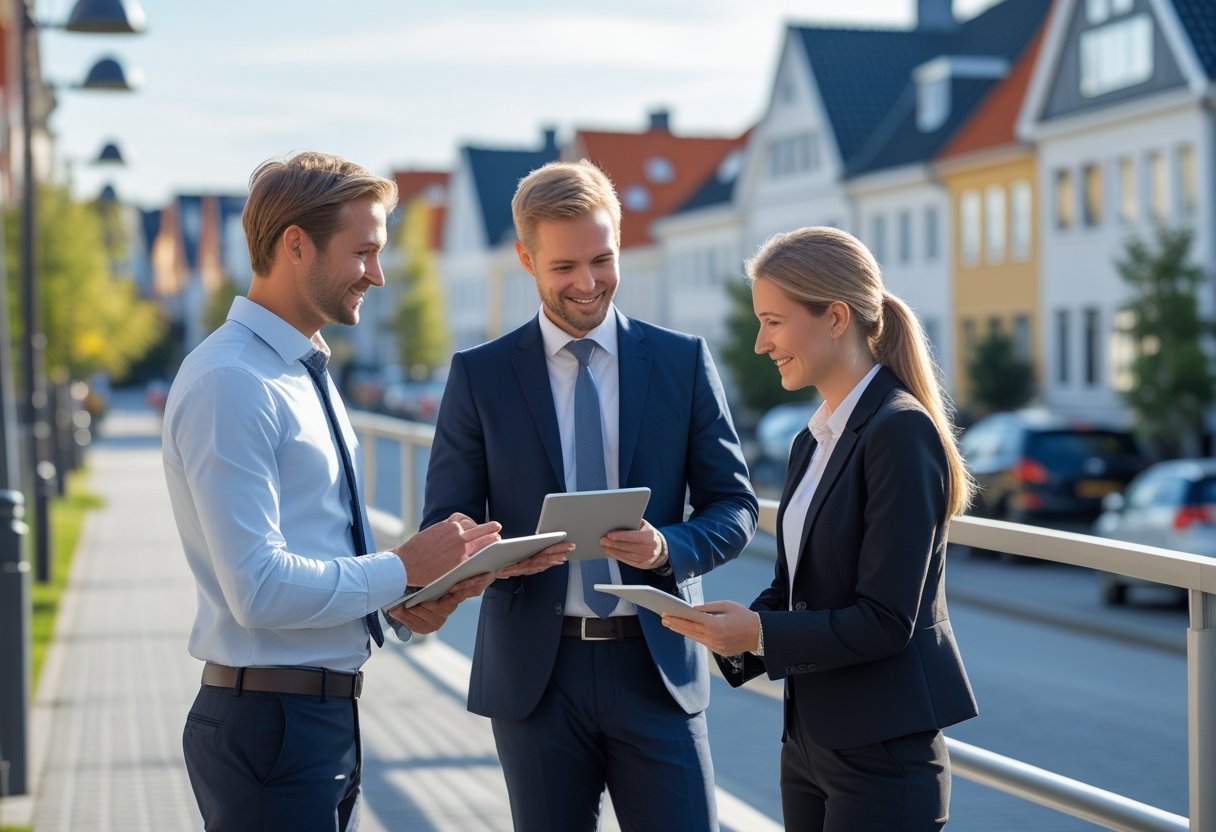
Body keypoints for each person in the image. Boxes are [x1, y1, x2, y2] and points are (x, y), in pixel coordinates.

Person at [162, 151, 501, 831]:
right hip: (271, 727)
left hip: (313, 718)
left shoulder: (299, 371)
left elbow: (315, 546)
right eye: (364, 251)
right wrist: (403, 567)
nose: (378, 274)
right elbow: (257, 589)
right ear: (295, 243)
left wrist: (404, 601)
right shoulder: (235, 382)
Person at [421, 160, 758, 831]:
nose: (587, 283)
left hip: (655, 668)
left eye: (602, 260)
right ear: (525, 257)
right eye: (564, 267)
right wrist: (493, 560)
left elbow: (735, 506)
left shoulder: (681, 361)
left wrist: (669, 545)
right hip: (536, 680)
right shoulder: (479, 376)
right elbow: (445, 525)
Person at [663, 226, 980, 831]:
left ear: (835, 317)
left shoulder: (899, 431)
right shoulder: (813, 439)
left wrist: (759, 633)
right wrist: (723, 633)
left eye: (774, 321)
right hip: (809, 743)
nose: (761, 343)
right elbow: (796, 587)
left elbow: (887, 620)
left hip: (882, 754)